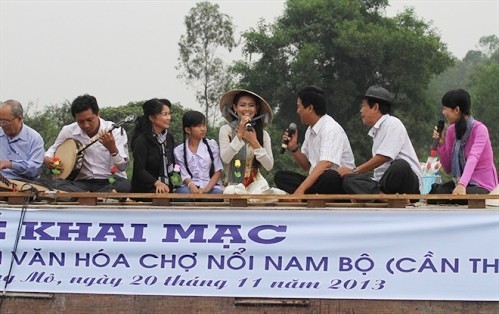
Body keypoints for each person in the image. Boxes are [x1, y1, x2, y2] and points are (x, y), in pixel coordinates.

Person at [338, 86, 422, 195]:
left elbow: (384, 157)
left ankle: (376, 195)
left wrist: (355, 171)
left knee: (400, 166)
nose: (361, 110)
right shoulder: (377, 131)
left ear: (375, 107)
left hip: (406, 183)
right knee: (349, 180)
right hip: (384, 184)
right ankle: (383, 196)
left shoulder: (393, 123)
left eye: (363, 106)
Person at [274, 86, 355, 195]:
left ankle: (306, 194)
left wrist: (301, 189)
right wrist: (294, 148)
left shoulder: (330, 128)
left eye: (299, 107)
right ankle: (311, 194)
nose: (297, 111)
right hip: (317, 183)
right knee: (281, 177)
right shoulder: (310, 130)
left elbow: (325, 164)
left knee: (329, 176)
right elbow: (306, 166)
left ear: (310, 108)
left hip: (337, 182)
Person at [44, 94, 130, 192]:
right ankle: (96, 196)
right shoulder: (68, 131)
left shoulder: (115, 131)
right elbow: (52, 149)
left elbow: (123, 167)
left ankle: (85, 196)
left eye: (90, 120)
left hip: (110, 180)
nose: (86, 125)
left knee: (125, 185)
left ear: (98, 114)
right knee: (53, 183)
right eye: (80, 122)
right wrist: (47, 159)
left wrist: (112, 149)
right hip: (82, 183)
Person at [431, 89, 497, 195]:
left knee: (456, 196)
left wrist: (462, 184)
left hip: (481, 185)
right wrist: (441, 144)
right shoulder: (451, 131)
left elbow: (473, 158)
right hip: (459, 183)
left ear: (456, 109)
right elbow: (448, 168)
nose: (443, 112)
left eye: (445, 108)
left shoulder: (480, 129)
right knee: (434, 195)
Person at [219, 89, 283, 195]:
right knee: (233, 193)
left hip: (256, 184)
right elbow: (225, 159)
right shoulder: (226, 130)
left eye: (251, 105)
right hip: (233, 183)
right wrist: (239, 135)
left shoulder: (263, 134)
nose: (247, 109)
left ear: (256, 109)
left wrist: (254, 141)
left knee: (263, 194)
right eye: (242, 105)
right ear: (235, 107)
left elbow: (269, 166)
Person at [131, 98, 175, 193]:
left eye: (169, 114)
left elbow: (173, 163)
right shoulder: (142, 141)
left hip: (167, 186)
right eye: (165, 114)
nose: (169, 118)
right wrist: (157, 183)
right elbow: (140, 170)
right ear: (152, 118)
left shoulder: (169, 138)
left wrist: (177, 178)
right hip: (147, 188)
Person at [173, 111, 223, 194]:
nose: (203, 129)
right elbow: (183, 173)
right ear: (188, 130)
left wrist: (206, 189)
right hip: (189, 187)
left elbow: (218, 170)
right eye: (199, 126)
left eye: (204, 125)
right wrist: (191, 185)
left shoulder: (212, 145)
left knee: (217, 193)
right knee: (183, 193)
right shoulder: (179, 151)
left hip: (210, 186)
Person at [0, 99, 45, 181]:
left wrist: (11, 165)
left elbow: (35, 170)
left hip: (25, 185)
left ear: (19, 119)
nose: (2, 125)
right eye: (0, 121)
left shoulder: (34, 138)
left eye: (5, 122)